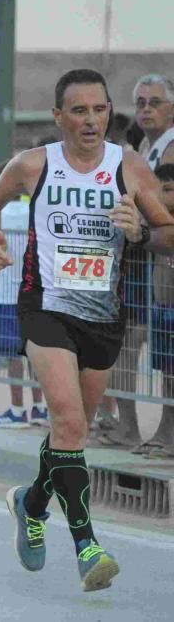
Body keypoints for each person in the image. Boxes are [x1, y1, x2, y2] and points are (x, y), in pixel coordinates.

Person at [0, 68, 174, 592]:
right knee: (66, 420)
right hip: (45, 306)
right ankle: (88, 545)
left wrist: (140, 233)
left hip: (104, 316)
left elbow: (168, 232)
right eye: (80, 111)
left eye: (100, 110)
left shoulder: (128, 167)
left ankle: (30, 502)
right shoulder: (33, 165)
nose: (91, 121)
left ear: (110, 113)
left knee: (71, 434)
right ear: (59, 116)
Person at [97, 74, 174, 451]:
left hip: (162, 259)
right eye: (141, 102)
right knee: (126, 344)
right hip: (137, 259)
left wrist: (139, 219)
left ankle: (166, 432)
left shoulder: (171, 148)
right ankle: (127, 426)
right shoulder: (142, 147)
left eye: (154, 102)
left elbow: (164, 204)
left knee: (166, 349)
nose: (146, 109)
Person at [0, 190, 48, 428]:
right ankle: (40, 408)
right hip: (35, 292)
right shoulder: (37, 209)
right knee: (35, 354)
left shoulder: (0, 212)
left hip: (8, 293)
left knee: (13, 355)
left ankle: (17, 410)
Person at [145, 163, 174, 459]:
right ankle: (165, 432)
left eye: (167, 190)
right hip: (162, 306)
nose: (159, 196)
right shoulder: (159, 226)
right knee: (167, 376)